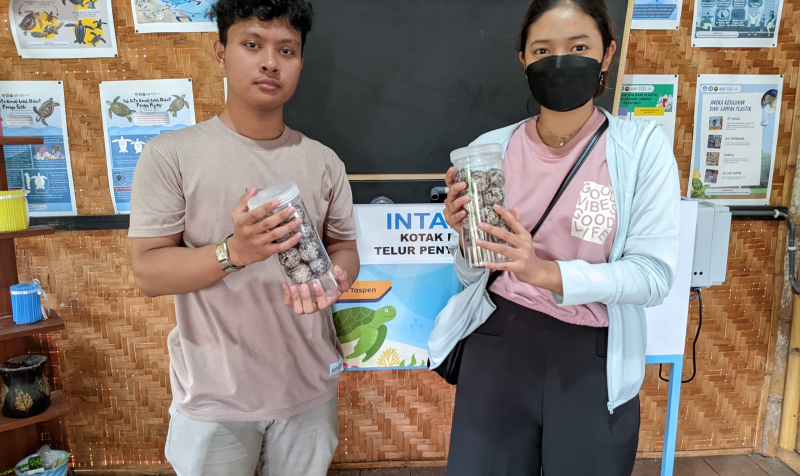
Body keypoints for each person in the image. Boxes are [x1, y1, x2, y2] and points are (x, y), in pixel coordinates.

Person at [440, 0, 680, 474]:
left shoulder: (641, 149)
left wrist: (545, 272)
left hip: (592, 355)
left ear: (607, 54)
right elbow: (472, 275)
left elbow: (652, 277)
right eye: (543, 50)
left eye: (579, 47)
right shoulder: (491, 149)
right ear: (523, 59)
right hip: (498, 338)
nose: (561, 61)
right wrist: (465, 236)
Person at [128, 1, 360, 475]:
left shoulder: (324, 161)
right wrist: (234, 252)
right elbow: (149, 271)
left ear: (300, 63)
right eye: (252, 45)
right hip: (214, 396)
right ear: (221, 52)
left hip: (309, 388)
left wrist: (338, 279)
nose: (270, 62)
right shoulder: (171, 155)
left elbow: (343, 248)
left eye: (286, 50)